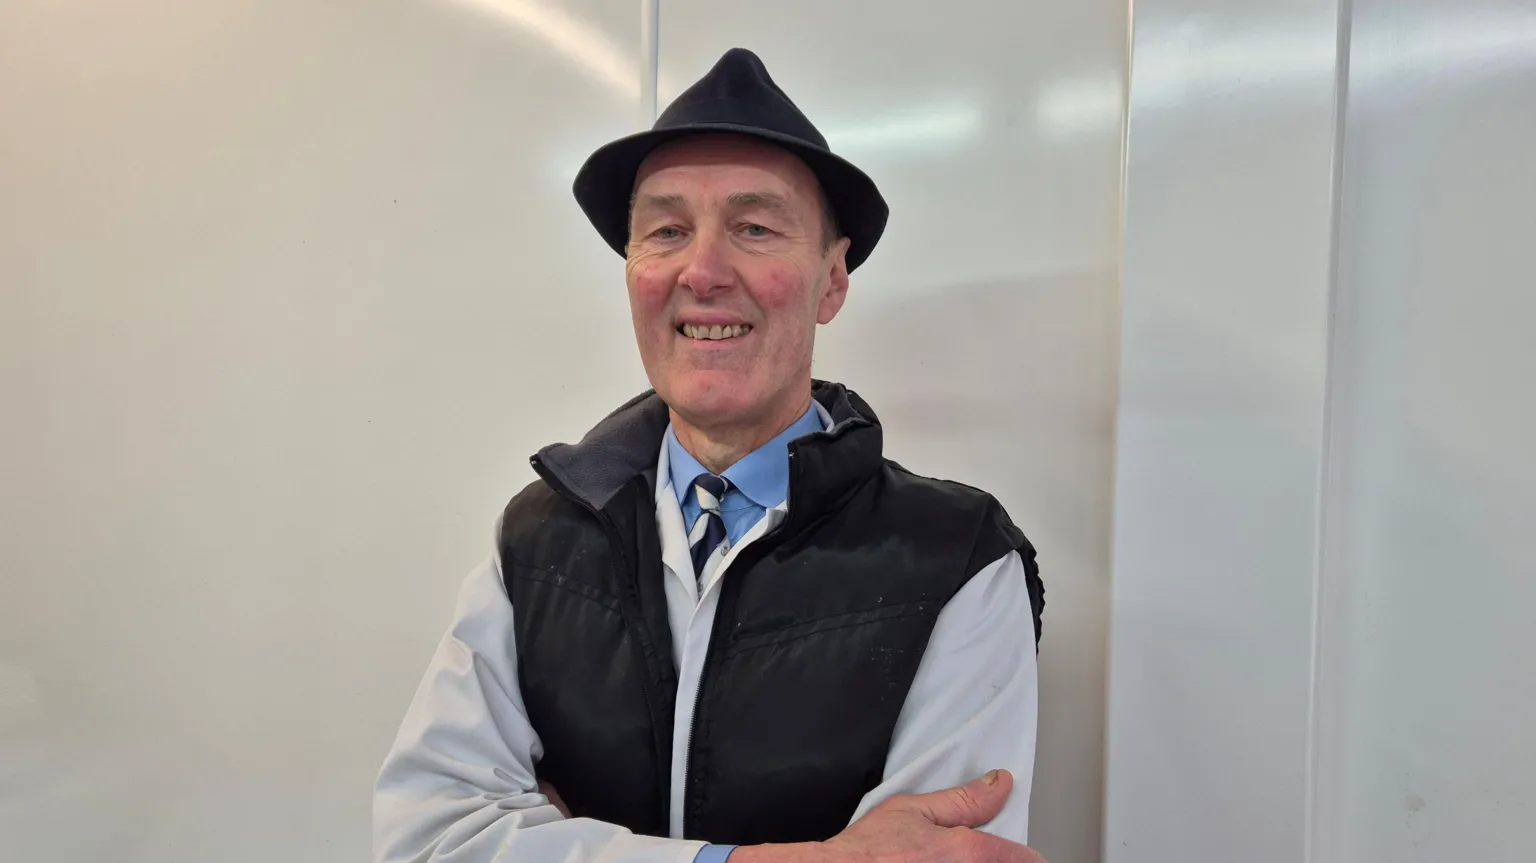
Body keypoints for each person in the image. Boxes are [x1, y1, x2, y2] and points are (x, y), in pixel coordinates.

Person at [373, 47, 1047, 863]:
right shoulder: (537, 539)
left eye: (754, 227)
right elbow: (429, 836)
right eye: (666, 230)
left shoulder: (959, 560)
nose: (702, 270)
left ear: (831, 280)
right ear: (633, 272)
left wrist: (556, 840)